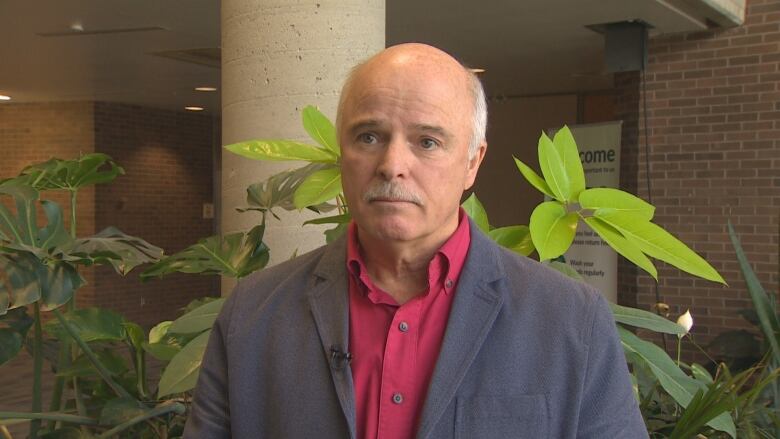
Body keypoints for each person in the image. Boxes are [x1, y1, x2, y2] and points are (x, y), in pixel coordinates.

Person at [183, 43, 647, 438]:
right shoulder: (254, 314)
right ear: (342, 152)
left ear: (472, 162)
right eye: (369, 136)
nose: (391, 164)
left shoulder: (569, 320)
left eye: (427, 142)